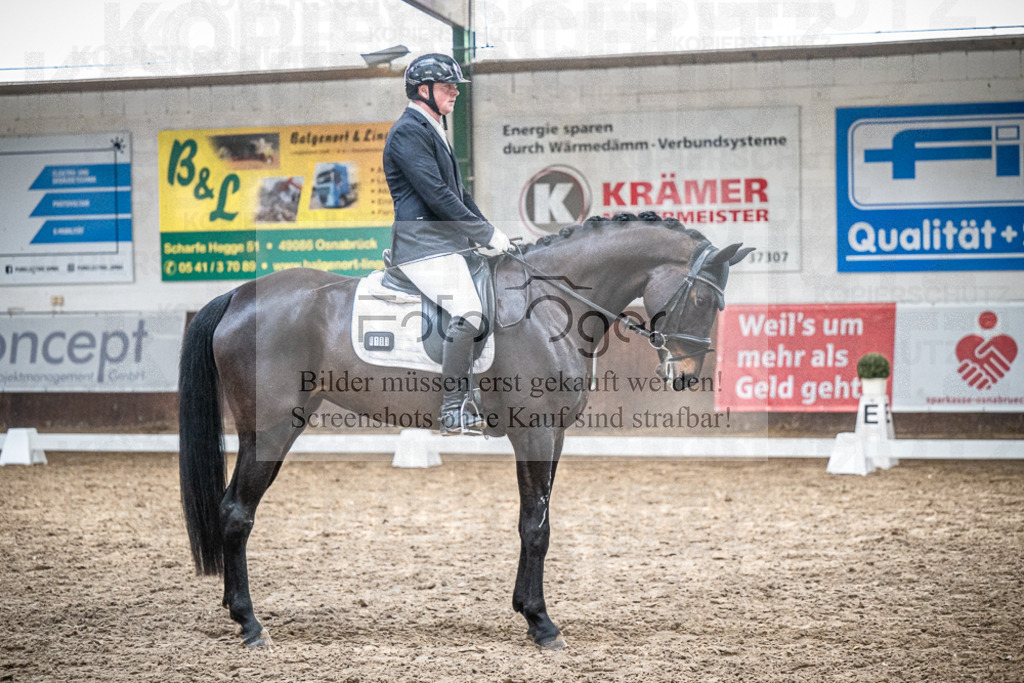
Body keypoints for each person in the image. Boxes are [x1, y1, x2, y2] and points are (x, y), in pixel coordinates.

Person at [382, 53, 514, 435]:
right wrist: (484, 234)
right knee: (469, 312)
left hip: (445, 242)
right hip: (422, 244)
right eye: (447, 86)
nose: (455, 92)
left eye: (455, 86)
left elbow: (459, 193)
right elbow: (437, 194)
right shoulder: (408, 131)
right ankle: (454, 408)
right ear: (422, 90)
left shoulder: (433, 128)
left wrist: (490, 231)